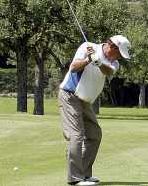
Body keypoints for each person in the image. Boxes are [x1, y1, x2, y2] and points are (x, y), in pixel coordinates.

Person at [58, 35, 132, 186]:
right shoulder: (87, 47)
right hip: (70, 95)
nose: (119, 57)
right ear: (111, 47)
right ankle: (75, 178)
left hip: (85, 101)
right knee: (76, 135)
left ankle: (84, 174)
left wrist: (98, 62)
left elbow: (108, 72)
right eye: (119, 53)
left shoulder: (114, 63)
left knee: (94, 134)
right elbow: (73, 68)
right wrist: (88, 60)